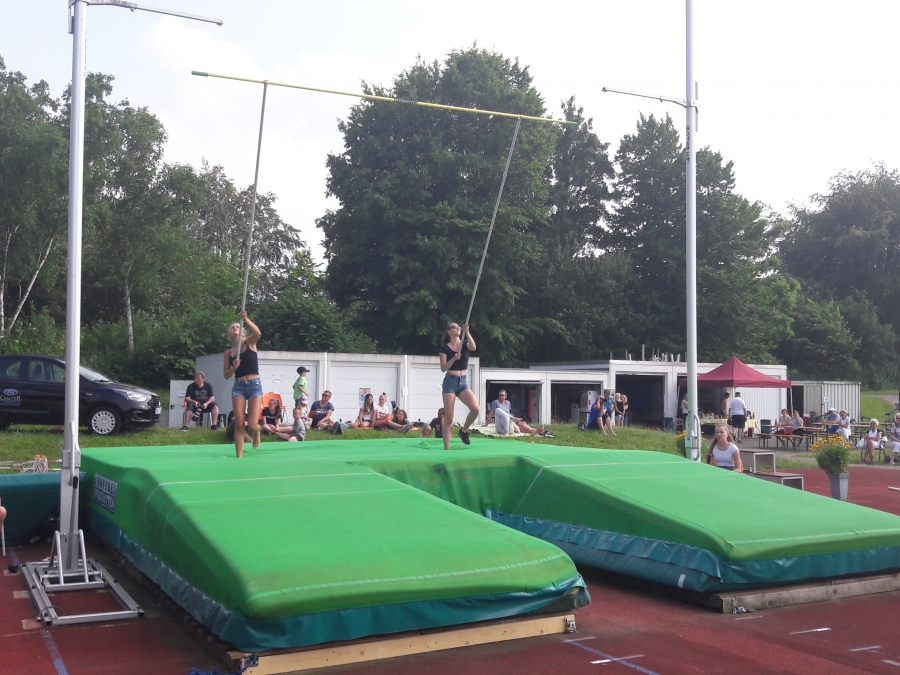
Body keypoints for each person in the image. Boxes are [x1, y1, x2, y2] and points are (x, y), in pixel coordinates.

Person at [223, 311, 262, 459]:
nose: (235, 328)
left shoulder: (249, 343)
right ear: (229, 334)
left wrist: (246, 319)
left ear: (243, 333)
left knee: (252, 424)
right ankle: (239, 457)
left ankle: (257, 432)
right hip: (239, 386)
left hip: (254, 385)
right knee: (239, 423)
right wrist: (234, 367)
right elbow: (226, 375)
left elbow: (258, 333)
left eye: (238, 327)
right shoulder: (228, 353)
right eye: (232, 327)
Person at [439, 322, 479, 449]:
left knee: (475, 409)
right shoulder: (445, 348)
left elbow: (473, 347)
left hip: (463, 382)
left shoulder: (465, 344)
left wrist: (467, 332)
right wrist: (454, 359)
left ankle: (464, 431)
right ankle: (447, 448)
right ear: (448, 331)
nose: (457, 329)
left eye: (458, 327)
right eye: (454, 327)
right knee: (449, 418)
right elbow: (443, 368)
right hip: (450, 383)